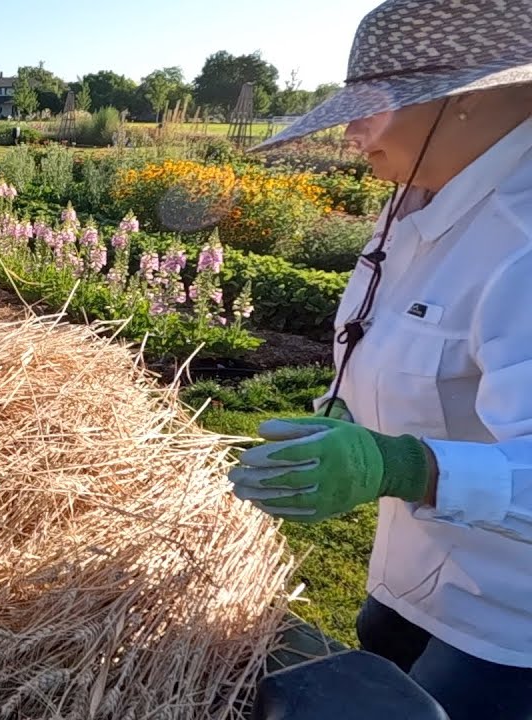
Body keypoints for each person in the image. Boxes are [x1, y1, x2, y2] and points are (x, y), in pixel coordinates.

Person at [227, 1, 532, 718]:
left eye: (375, 106)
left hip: (505, 622)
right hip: (410, 570)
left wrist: (397, 466)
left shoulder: (522, 244)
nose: (351, 129)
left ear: (465, 100)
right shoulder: (416, 200)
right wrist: (343, 416)